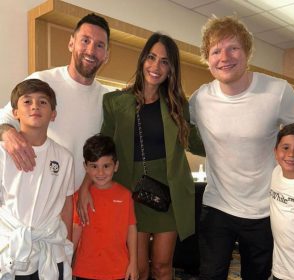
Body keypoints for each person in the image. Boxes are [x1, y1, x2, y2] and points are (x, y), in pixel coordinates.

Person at [78, 32, 204, 280]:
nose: (156, 66)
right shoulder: (115, 102)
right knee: (138, 268)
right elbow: (103, 148)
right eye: (151, 57)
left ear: (171, 69)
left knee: (162, 266)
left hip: (168, 193)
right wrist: (85, 185)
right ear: (143, 60)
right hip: (131, 192)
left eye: (165, 61)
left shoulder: (178, 105)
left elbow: (198, 145)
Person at [189, 16, 294, 280]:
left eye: (233, 48)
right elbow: (173, 119)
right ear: (208, 59)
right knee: (210, 275)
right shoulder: (200, 99)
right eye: (216, 51)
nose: (224, 57)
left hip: (264, 208)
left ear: (247, 52)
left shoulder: (277, 91)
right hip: (218, 205)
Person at [0, 13, 110, 191]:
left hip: (82, 200)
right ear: (71, 43)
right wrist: (9, 134)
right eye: (85, 41)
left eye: (99, 45)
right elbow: (3, 119)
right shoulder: (42, 81)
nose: (91, 50)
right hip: (39, 196)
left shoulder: (107, 99)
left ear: (106, 55)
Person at [0, 79, 74, 279]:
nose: (35, 106)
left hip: (50, 250)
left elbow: (67, 204)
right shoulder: (2, 153)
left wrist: (67, 245)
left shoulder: (64, 158)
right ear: (15, 112)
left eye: (43, 102)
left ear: (53, 114)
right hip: (10, 248)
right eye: (27, 101)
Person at [72, 134, 138, 280]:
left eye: (106, 166)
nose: (100, 173)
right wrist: (66, 259)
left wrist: (133, 262)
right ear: (85, 167)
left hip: (118, 270)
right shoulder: (79, 197)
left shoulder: (125, 195)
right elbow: (76, 228)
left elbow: (131, 229)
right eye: (94, 166)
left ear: (116, 166)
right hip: (86, 270)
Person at [270, 122, 294, 280]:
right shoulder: (275, 172)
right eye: (285, 147)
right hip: (281, 271)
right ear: (275, 151)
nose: (291, 154)